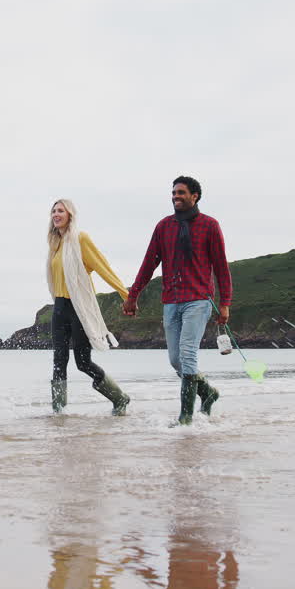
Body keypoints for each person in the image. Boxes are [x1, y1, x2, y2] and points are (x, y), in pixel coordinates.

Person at [122, 176, 232, 425]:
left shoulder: (209, 225)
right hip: (171, 300)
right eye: (173, 193)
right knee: (175, 359)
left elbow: (221, 267)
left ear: (195, 196)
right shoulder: (164, 227)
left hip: (199, 300)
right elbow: (149, 262)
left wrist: (224, 302)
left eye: (181, 192)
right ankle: (208, 393)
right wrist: (133, 295)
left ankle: (185, 418)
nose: (175, 197)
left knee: (187, 353)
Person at [46, 199, 130, 415]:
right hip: (59, 308)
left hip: (79, 308)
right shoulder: (55, 244)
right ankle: (58, 413)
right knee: (59, 361)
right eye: (53, 211)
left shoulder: (80, 239)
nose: (56, 214)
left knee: (82, 362)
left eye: (60, 210)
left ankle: (119, 398)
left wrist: (126, 294)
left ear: (70, 214)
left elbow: (103, 267)